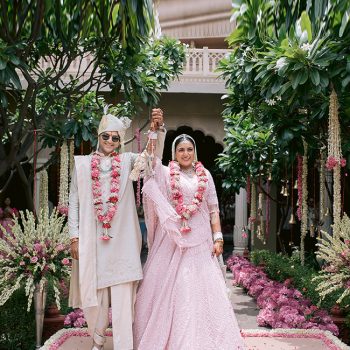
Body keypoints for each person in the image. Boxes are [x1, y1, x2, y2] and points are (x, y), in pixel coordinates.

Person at [133, 134, 245, 349]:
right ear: (174, 153)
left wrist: (218, 237)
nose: (185, 154)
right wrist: (156, 132)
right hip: (173, 239)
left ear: (195, 152)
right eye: (181, 150)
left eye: (189, 149)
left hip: (200, 238)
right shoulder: (165, 174)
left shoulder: (206, 175)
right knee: (176, 288)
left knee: (200, 289)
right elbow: (150, 162)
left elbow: (213, 209)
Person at [68, 106, 165, 350]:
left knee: (123, 298)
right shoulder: (82, 165)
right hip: (93, 241)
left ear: (120, 141)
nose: (111, 141)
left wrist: (156, 131)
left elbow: (150, 160)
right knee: (96, 297)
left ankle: (124, 345)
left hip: (122, 240)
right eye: (106, 136)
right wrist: (74, 237)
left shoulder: (128, 162)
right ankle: (98, 341)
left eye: (115, 138)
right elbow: (74, 203)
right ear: (98, 137)